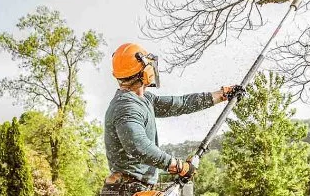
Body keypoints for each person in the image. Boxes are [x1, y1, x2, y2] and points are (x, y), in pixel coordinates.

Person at [100, 42, 244, 195]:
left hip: (136, 187)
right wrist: (178, 166)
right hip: (126, 189)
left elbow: (181, 104)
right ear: (144, 72)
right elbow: (139, 147)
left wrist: (221, 95)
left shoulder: (145, 100)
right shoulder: (126, 107)